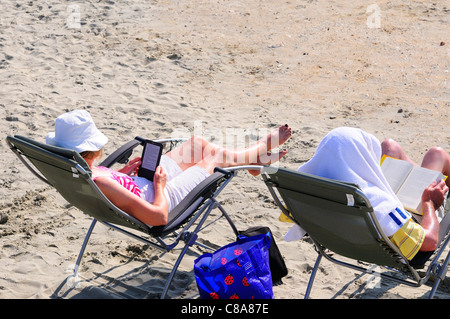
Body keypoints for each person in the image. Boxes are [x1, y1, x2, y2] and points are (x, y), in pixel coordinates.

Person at [46, 110, 291, 227]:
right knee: (213, 157)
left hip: (144, 186)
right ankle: (258, 153)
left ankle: (254, 162)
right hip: (163, 198)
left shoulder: (80, 171)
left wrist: (121, 174)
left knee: (197, 144)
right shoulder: (97, 180)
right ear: (93, 149)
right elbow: (158, 217)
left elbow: (108, 188)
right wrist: (160, 186)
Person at [287, 127, 448, 262]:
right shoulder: (380, 208)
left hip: (344, 236)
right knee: (437, 154)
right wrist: (429, 203)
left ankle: (415, 174)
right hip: (400, 242)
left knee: (390, 147)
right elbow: (429, 242)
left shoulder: (310, 192)